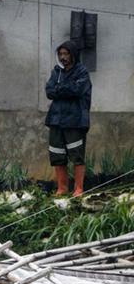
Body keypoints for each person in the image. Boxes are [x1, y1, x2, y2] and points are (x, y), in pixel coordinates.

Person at [45, 39, 91, 197]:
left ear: (73, 55)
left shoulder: (82, 72)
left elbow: (77, 90)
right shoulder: (56, 72)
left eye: (66, 54)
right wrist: (64, 89)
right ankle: (62, 188)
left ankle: (78, 189)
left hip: (75, 120)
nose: (63, 57)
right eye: (60, 54)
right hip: (56, 120)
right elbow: (49, 91)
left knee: (76, 155)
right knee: (57, 155)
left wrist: (60, 89)